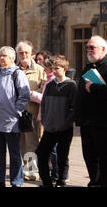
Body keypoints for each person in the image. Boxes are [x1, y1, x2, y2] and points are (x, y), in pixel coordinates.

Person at [0, 46, 30, 187]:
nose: (1, 58)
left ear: (12, 58)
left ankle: (16, 181)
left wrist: (16, 111)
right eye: (0, 55)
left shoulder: (18, 74)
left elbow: (24, 95)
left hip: (12, 121)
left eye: (4, 55)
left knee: (14, 154)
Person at [35, 55, 77, 187]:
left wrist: (65, 123)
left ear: (64, 69)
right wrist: (45, 121)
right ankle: (46, 182)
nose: (54, 71)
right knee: (41, 154)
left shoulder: (71, 85)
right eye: (52, 68)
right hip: (49, 127)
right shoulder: (50, 85)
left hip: (64, 128)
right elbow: (45, 104)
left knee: (62, 157)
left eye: (57, 68)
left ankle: (61, 181)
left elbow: (74, 108)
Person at [75, 35, 107, 187]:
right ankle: (94, 182)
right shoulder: (88, 67)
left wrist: (94, 88)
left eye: (92, 47)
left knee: (103, 156)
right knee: (89, 156)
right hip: (87, 121)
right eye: (87, 47)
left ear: (103, 49)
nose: (88, 50)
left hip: (102, 122)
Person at [16, 41, 46, 181]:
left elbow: (44, 89)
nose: (24, 55)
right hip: (16, 113)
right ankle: (26, 168)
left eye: (26, 52)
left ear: (31, 54)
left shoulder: (39, 70)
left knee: (31, 143)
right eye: (21, 53)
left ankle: (31, 170)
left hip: (31, 112)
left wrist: (31, 93)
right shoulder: (13, 70)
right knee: (21, 143)